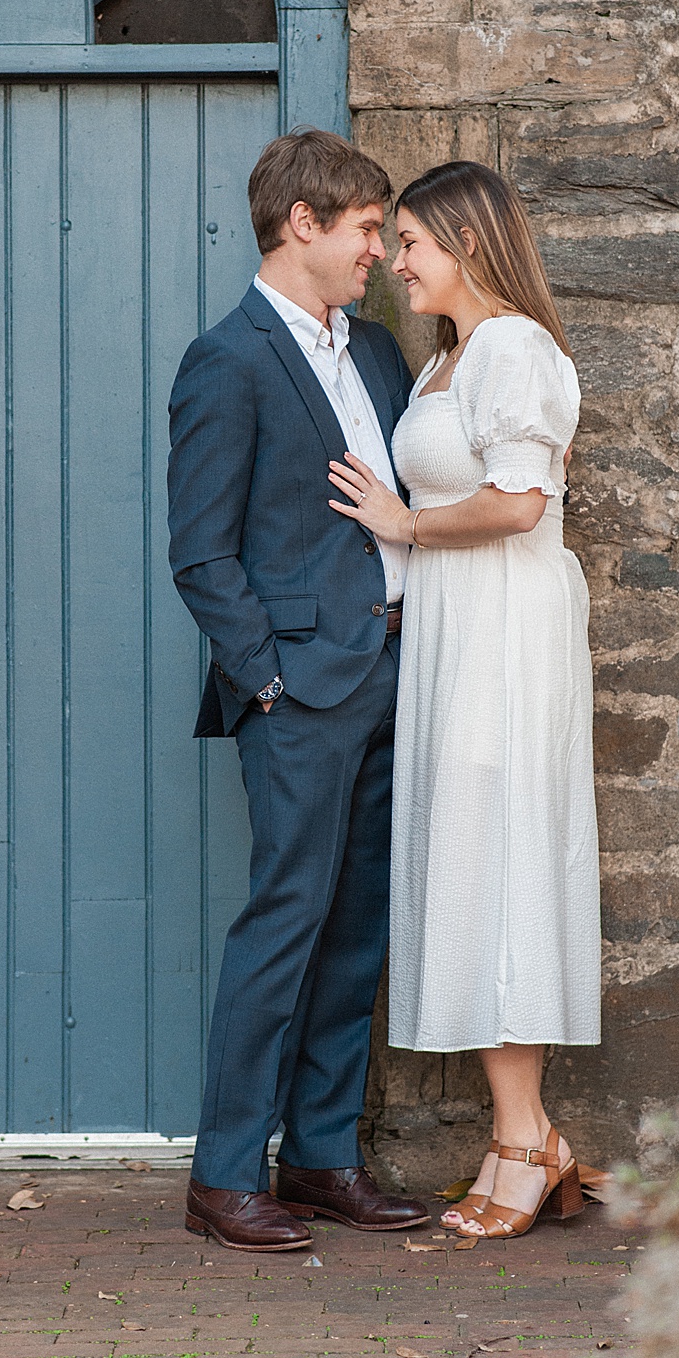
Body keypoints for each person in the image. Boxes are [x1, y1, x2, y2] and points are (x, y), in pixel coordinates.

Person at [166, 128, 432, 1252]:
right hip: (300, 694)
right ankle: (225, 1173)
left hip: (392, 675)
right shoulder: (226, 362)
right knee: (285, 922)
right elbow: (201, 553)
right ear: (302, 225)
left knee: (356, 930)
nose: (378, 248)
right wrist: (267, 679)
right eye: (366, 228)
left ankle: (324, 1156)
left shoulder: (376, 354)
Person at [327, 159, 597, 1241]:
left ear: (468, 244)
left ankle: (526, 1139)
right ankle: (523, 1135)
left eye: (413, 244)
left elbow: (521, 501)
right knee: (473, 864)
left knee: (503, 861)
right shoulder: (449, 360)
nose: (395, 260)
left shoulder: (516, 352)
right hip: (453, 629)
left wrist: (405, 526)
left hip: (502, 633)